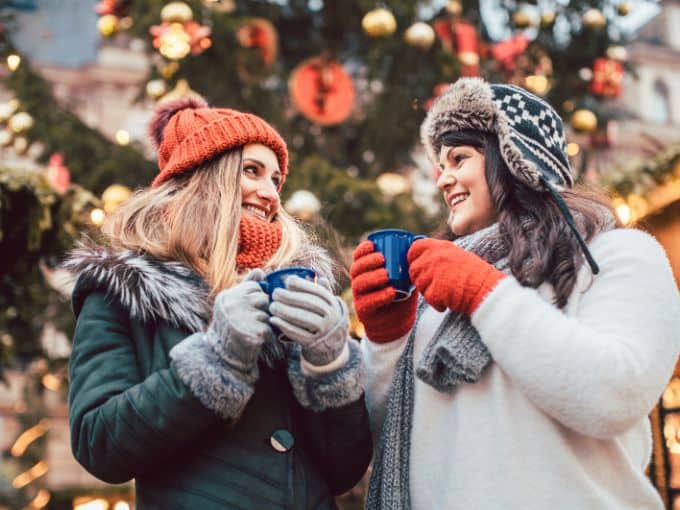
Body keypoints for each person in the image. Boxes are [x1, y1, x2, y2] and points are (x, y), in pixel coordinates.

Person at [350, 77, 680, 510]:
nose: (444, 179)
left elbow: (614, 393)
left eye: (459, 158)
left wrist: (485, 294)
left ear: (514, 159)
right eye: (440, 166)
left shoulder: (616, 254)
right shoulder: (438, 294)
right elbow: (394, 439)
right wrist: (387, 341)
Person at [65, 97, 371, 509]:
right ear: (205, 177)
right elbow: (98, 443)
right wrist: (214, 361)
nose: (270, 194)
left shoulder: (301, 290)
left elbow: (343, 470)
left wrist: (329, 363)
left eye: (275, 179)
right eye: (251, 171)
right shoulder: (124, 290)